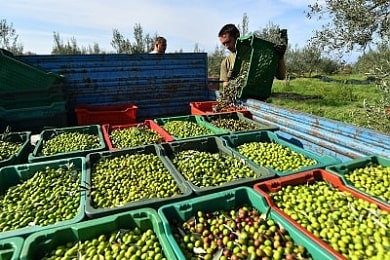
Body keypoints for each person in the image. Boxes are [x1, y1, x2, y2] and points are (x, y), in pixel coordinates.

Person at [218, 24, 287, 89]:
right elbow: (225, 84)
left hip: (258, 99)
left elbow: (281, 76)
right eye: (224, 44)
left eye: (228, 42)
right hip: (238, 100)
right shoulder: (226, 62)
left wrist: (280, 57)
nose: (226, 47)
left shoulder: (257, 53)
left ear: (237, 37)